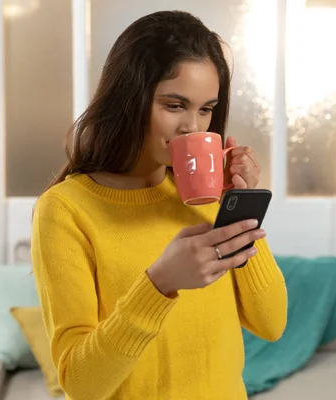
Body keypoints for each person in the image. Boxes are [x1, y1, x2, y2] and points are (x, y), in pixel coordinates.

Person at [31, 10, 287, 400]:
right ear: (128, 100)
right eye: (174, 106)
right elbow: (81, 384)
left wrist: (239, 205)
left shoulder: (208, 197)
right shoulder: (66, 210)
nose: (193, 128)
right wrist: (160, 284)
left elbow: (271, 324)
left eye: (205, 110)